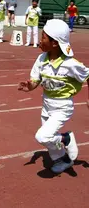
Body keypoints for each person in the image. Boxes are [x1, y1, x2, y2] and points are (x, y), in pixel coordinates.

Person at [18, 19, 89, 174]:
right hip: (46, 105)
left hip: (62, 107)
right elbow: (35, 80)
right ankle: (62, 159)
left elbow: (88, 75)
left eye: (43, 37)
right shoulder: (41, 59)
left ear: (55, 43)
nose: (40, 40)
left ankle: (66, 139)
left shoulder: (70, 64)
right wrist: (29, 86)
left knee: (42, 137)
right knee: (49, 140)